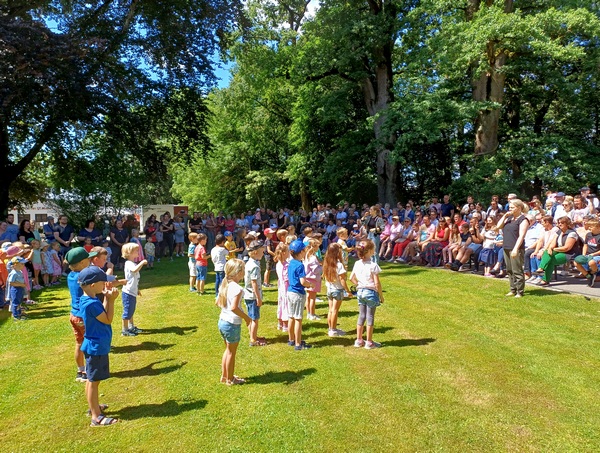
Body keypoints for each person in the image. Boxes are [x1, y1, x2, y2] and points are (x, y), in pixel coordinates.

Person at [77, 266, 119, 427]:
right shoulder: (92, 304)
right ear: (93, 285)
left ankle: (93, 406)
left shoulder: (87, 299)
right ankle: (96, 417)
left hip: (93, 345)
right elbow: (108, 319)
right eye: (103, 282)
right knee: (94, 381)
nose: (105, 285)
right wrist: (111, 300)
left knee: (91, 379)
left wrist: (106, 298)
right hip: (96, 347)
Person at [216, 259, 252, 386]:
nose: (244, 273)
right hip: (231, 324)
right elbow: (234, 308)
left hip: (222, 321)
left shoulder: (225, 284)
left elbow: (217, 302)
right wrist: (247, 318)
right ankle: (230, 379)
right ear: (238, 273)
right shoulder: (238, 289)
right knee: (231, 352)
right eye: (243, 270)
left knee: (227, 350)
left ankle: (225, 375)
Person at [65, 247, 96, 382]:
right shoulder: (83, 277)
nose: (90, 260)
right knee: (89, 342)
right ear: (83, 263)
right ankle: (91, 371)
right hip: (83, 316)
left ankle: (81, 370)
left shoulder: (71, 275)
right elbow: (91, 292)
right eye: (88, 259)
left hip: (73, 315)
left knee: (79, 342)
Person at [350, 239, 383, 349]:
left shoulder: (357, 263)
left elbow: (351, 278)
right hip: (370, 292)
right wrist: (381, 296)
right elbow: (377, 283)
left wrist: (359, 284)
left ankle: (359, 340)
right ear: (369, 251)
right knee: (370, 317)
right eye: (373, 249)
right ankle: (369, 342)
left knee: (361, 316)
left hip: (360, 291)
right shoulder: (373, 265)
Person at [495, 199, 529, 297]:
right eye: (509, 207)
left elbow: (521, 236)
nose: (510, 209)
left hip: (516, 248)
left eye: (512, 207)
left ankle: (520, 291)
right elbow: (498, 226)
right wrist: (505, 216)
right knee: (509, 270)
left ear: (519, 208)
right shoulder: (509, 218)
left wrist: (515, 249)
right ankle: (512, 289)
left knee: (517, 270)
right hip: (506, 247)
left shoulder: (523, 220)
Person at [534, 216, 580, 287]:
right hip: (559, 250)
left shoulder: (572, 233)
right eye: (559, 223)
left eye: (562, 223)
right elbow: (553, 243)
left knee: (551, 260)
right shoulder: (558, 232)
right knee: (547, 251)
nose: (560, 224)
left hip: (569, 253)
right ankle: (541, 269)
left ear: (567, 224)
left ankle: (544, 278)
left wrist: (553, 249)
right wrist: (550, 248)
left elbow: (566, 248)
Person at [287, 240, 312, 350]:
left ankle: (291, 339)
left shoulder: (291, 263)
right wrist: (309, 284)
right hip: (298, 293)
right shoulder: (300, 265)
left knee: (291, 317)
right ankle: (298, 344)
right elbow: (303, 282)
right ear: (301, 252)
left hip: (290, 292)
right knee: (298, 319)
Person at [119, 243, 148, 336]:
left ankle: (131, 327)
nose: (138, 252)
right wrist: (142, 262)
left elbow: (134, 279)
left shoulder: (132, 263)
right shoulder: (128, 263)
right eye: (136, 251)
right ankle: (125, 330)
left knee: (131, 310)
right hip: (128, 293)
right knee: (127, 311)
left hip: (132, 292)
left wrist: (137, 289)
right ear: (129, 253)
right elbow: (135, 270)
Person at [323, 243, 351, 337]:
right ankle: (333, 330)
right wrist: (347, 291)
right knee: (335, 310)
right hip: (337, 290)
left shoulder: (327, 262)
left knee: (330, 310)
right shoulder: (339, 265)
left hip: (329, 289)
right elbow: (342, 280)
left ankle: (330, 328)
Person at [243, 240, 266, 346]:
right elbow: (254, 283)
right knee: (254, 319)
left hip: (248, 295)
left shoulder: (250, 263)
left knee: (252, 317)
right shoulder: (254, 267)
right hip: (252, 296)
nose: (263, 253)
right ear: (256, 252)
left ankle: (254, 336)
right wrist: (258, 298)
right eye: (262, 251)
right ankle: (253, 340)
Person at [573, 219, 600, 287]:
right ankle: (588, 276)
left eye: (591, 226)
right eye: (589, 226)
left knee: (591, 262)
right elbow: (585, 245)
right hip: (588, 255)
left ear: (598, 227)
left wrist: (593, 254)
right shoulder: (588, 235)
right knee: (576, 262)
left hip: (597, 255)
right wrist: (583, 254)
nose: (589, 228)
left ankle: (593, 273)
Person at [303, 237, 323, 320]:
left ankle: (308, 313)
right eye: (317, 246)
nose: (318, 248)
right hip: (313, 279)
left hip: (307, 278)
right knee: (312, 298)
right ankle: (312, 314)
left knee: (308, 297)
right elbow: (315, 270)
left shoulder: (306, 256)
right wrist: (322, 268)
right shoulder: (313, 258)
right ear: (313, 247)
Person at [274, 242, 290, 332]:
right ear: (284, 253)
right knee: (285, 304)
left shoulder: (279, 263)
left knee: (281, 303)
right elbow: (287, 278)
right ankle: (285, 324)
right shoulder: (286, 266)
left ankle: (280, 323)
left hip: (281, 286)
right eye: (287, 251)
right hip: (286, 287)